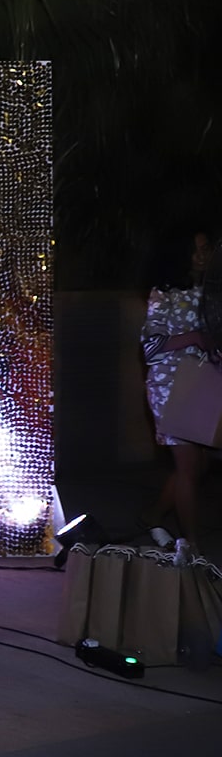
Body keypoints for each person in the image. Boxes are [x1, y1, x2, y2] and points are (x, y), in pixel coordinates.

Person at [141, 228, 218, 539]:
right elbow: (150, 347)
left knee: (199, 465)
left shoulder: (209, 291)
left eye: (205, 248)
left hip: (202, 383)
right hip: (171, 386)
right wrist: (195, 337)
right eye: (195, 250)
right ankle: (193, 551)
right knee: (188, 468)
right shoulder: (164, 294)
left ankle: (153, 515)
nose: (202, 255)